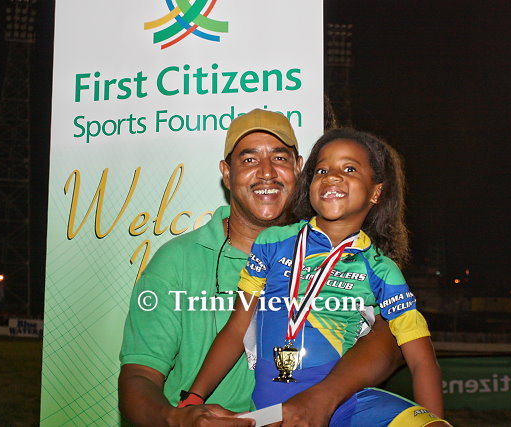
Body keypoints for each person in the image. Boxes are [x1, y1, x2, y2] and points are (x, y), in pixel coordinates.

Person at [118, 110, 408, 426]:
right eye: (249, 160)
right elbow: (138, 375)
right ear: (226, 173)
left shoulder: (341, 248)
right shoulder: (178, 260)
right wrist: (175, 418)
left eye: (280, 159)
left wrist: (323, 397)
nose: (267, 173)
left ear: (299, 169)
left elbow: (390, 339)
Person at [186, 128, 449, 426]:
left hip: (346, 406)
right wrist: (193, 397)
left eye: (349, 169)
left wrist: (434, 419)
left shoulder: (381, 269)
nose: (332, 176)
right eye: (322, 170)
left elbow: (421, 360)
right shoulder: (272, 242)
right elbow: (237, 328)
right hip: (274, 413)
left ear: (376, 192)